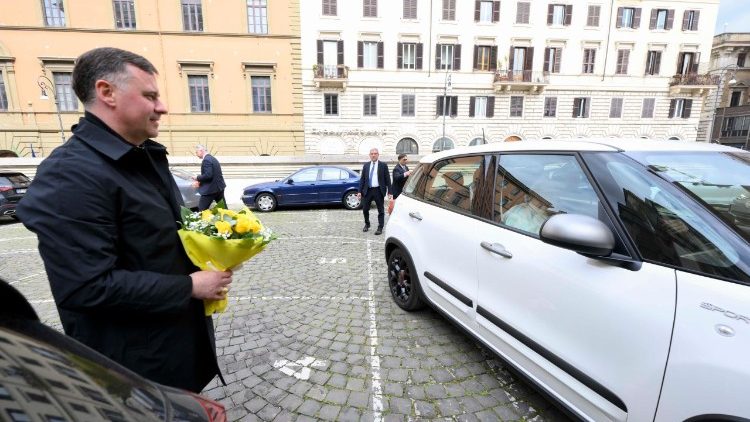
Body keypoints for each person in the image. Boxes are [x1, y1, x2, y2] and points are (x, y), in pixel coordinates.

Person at [16, 47, 231, 393]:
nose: (162, 107)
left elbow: (157, 244)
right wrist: (191, 286)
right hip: (131, 375)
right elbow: (87, 286)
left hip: (173, 355)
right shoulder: (69, 175)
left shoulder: (143, 157)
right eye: (150, 96)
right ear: (107, 93)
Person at [357, 148, 391, 235]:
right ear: (369, 155)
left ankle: (380, 227)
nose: (373, 155)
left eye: (375, 153)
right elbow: (362, 179)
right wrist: (359, 191)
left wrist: (390, 191)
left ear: (378, 155)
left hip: (378, 190)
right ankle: (367, 224)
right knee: (365, 209)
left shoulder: (383, 165)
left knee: (381, 210)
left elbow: (387, 179)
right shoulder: (366, 165)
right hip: (367, 190)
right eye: (372, 153)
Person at [192, 144, 226, 211]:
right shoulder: (212, 158)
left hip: (210, 190)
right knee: (223, 209)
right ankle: (229, 220)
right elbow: (213, 174)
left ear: (201, 151)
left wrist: (197, 177)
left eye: (196, 152)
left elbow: (208, 176)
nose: (196, 154)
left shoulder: (206, 160)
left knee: (202, 210)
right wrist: (200, 181)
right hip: (219, 188)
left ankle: (201, 221)